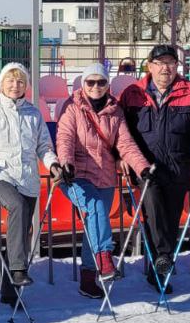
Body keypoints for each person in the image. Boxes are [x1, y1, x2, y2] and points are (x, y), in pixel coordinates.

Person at [117, 44, 190, 293]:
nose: (165, 68)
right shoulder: (132, 93)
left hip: (177, 165)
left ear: (177, 67)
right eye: (160, 63)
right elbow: (121, 130)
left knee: (169, 221)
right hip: (145, 167)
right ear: (149, 66)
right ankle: (162, 259)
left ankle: (158, 271)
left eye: (171, 63)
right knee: (153, 208)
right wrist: (121, 156)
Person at [0, 62, 62, 305]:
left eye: (20, 81)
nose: (15, 85)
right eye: (10, 80)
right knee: (18, 207)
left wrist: (52, 164)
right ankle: (18, 269)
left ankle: (10, 291)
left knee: (21, 230)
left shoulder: (34, 114)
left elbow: (44, 146)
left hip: (28, 177)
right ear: (1, 84)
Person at [54, 63, 150, 299]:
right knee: (95, 208)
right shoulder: (71, 107)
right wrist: (65, 162)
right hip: (75, 175)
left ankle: (88, 279)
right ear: (82, 84)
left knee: (94, 225)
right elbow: (65, 137)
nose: (96, 87)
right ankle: (105, 259)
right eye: (90, 82)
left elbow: (125, 143)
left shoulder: (115, 110)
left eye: (101, 82)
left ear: (108, 84)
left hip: (104, 175)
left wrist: (143, 168)